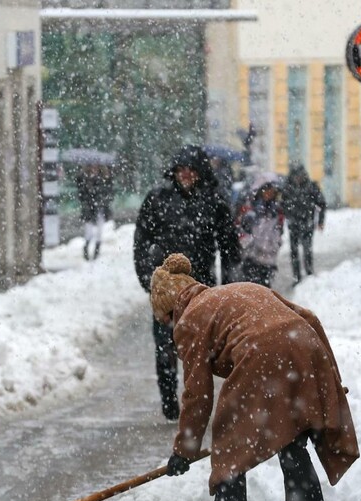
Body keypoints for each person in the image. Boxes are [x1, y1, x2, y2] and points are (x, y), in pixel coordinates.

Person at [151, 253, 359, 501]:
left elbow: (197, 395)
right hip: (303, 348)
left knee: (229, 458)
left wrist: (184, 450)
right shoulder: (237, 291)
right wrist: (330, 382)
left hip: (262, 359)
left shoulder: (189, 320)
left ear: (171, 311)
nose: (169, 328)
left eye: (165, 321)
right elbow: (309, 318)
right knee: (293, 451)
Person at [133, 145, 241, 420]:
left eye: (191, 170)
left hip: (201, 288)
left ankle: (196, 404)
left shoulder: (214, 201)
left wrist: (228, 286)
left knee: (199, 350)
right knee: (164, 347)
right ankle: (169, 400)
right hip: (166, 290)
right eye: (181, 170)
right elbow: (142, 240)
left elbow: (229, 246)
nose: (186, 175)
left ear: (200, 172)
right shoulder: (158, 199)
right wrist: (148, 279)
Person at [236, 176, 285, 287]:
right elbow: (242, 233)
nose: (269, 194)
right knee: (250, 289)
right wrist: (250, 244)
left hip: (269, 258)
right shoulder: (250, 210)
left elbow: (279, 231)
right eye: (266, 190)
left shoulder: (277, 210)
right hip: (251, 257)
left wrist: (276, 244)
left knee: (265, 290)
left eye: (272, 191)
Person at [282, 164, 326, 284]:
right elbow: (282, 204)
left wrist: (321, 221)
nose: (298, 178)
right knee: (294, 251)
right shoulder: (287, 188)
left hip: (307, 223)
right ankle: (296, 276)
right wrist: (287, 215)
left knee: (307, 249)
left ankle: (309, 273)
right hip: (293, 224)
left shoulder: (311, 187)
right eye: (296, 176)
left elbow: (321, 203)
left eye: (300, 176)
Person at [74, 164, 114, 260]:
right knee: (89, 231)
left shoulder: (104, 178)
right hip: (90, 209)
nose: (94, 168)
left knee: (99, 231)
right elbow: (81, 193)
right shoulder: (84, 179)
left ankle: (96, 250)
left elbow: (109, 193)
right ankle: (86, 249)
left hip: (100, 208)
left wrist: (102, 199)